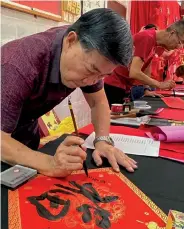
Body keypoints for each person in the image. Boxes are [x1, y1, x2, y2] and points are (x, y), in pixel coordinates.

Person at [1, 8, 138, 178]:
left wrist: (102, 141)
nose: (90, 82)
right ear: (70, 40)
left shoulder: (89, 55)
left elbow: (98, 102)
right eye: (90, 70)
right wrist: (50, 163)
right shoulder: (17, 65)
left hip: (25, 137)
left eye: (102, 75)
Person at [104, 19, 184, 106]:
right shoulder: (147, 38)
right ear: (172, 33)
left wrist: (146, 89)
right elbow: (134, 72)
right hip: (114, 85)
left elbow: (146, 67)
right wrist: (159, 84)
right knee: (113, 118)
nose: (180, 47)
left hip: (125, 86)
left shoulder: (155, 42)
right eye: (180, 42)